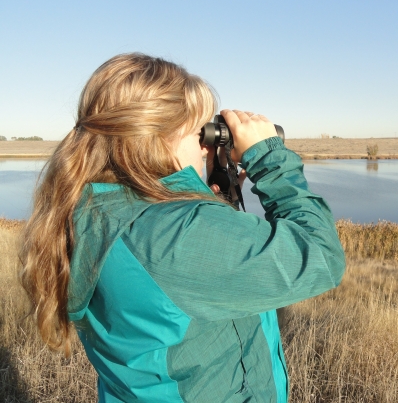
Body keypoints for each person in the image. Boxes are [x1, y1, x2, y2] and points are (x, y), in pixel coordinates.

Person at [20, 53, 346, 402]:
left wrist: (207, 195)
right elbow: (322, 256)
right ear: (158, 137)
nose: (206, 145)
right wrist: (270, 158)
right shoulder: (173, 234)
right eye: (198, 132)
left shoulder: (90, 211)